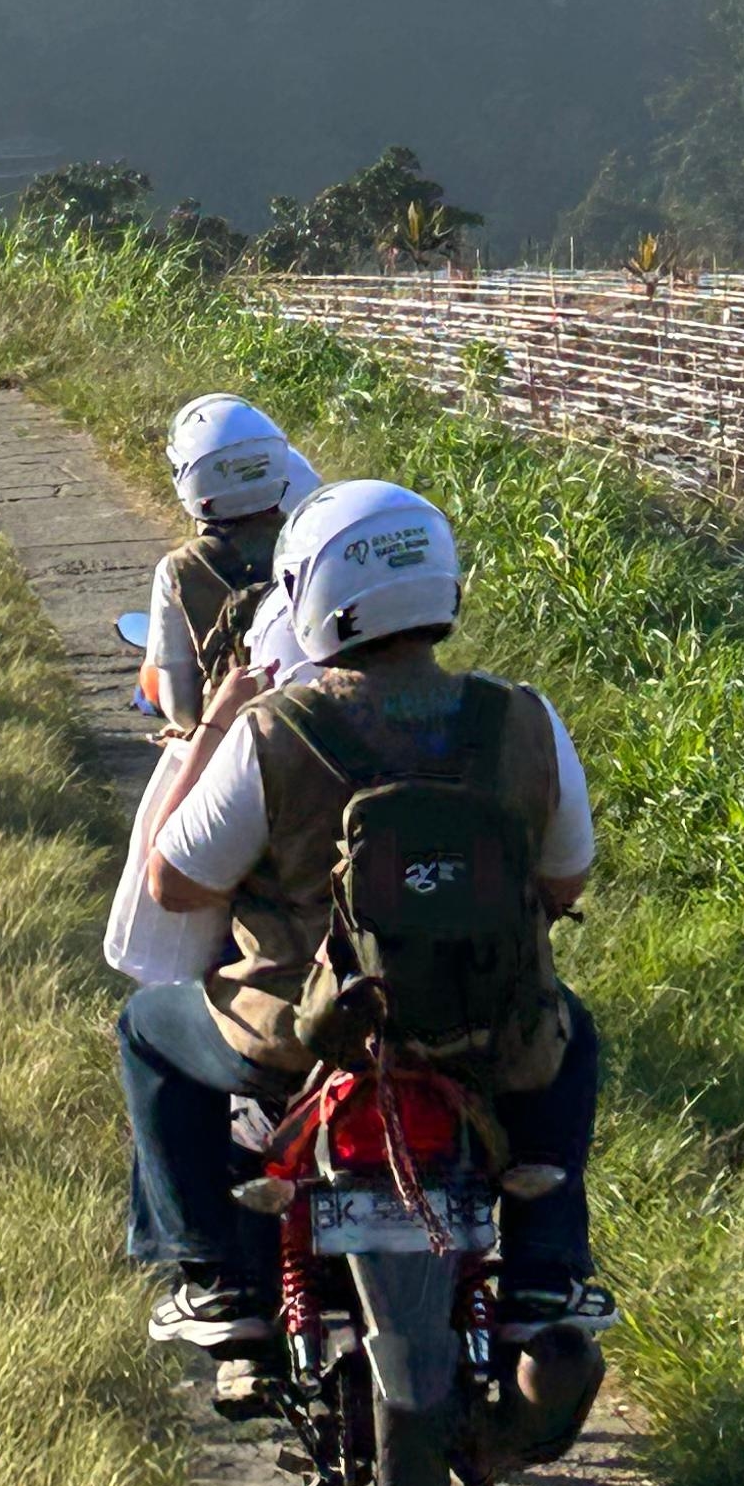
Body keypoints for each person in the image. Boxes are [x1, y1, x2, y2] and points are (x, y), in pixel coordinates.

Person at [112, 478, 611, 1393]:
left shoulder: (276, 731)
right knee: (572, 1032)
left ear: (309, 597)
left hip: (304, 1030)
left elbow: (173, 882)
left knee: (148, 1031)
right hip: (489, 1028)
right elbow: (566, 878)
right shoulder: (525, 720)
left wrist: (213, 725)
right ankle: (546, 1269)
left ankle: (216, 1278)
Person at [140, 395, 319, 738]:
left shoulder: (180, 570)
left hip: (237, 741)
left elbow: (181, 709)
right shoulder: (314, 540)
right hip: (326, 732)